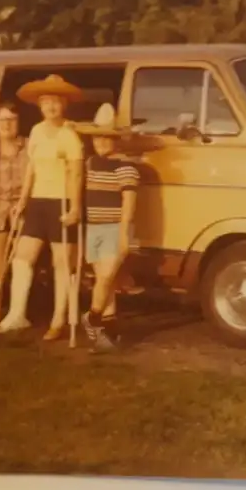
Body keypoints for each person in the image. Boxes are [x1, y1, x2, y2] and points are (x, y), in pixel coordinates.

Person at [0, 75, 85, 340]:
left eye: (56, 102)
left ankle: (58, 320)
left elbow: (77, 174)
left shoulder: (70, 135)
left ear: (64, 104)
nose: (51, 107)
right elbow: (31, 167)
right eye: (46, 102)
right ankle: (16, 315)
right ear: (40, 106)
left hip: (61, 202)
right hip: (37, 201)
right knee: (22, 257)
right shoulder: (37, 131)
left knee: (61, 262)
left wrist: (75, 208)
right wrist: (23, 198)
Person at [74, 104, 139, 353]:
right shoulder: (91, 163)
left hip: (114, 228)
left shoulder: (126, 167)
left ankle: (92, 318)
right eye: (97, 136)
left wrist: (124, 235)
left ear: (116, 140)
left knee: (105, 278)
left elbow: (129, 203)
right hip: (94, 228)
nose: (101, 141)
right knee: (106, 284)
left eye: (107, 137)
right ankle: (108, 337)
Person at [0, 103, 29, 329]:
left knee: (22, 260)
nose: (7, 125)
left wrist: (24, 203)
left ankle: (18, 311)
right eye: (2, 120)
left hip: (23, 207)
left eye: (12, 119)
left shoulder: (29, 145)